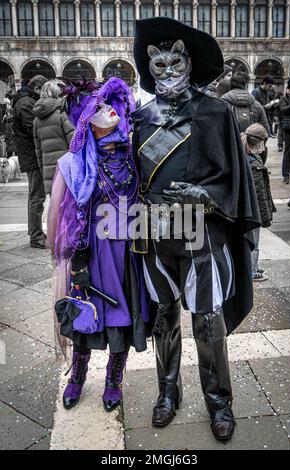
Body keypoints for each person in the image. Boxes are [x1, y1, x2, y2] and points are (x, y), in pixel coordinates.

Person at [132, 17, 260, 442]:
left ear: (187, 63)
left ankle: (218, 402)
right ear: (149, 65)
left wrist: (205, 196)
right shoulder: (139, 117)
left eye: (174, 64)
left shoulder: (214, 111)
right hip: (152, 230)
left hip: (201, 232)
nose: (167, 72)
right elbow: (127, 176)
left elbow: (232, 178)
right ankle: (167, 394)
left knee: (208, 320)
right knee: (163, 319)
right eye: (159, 65)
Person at [47, 77, 151, 412]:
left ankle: (113, 380)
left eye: (111, 106)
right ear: (87, 119)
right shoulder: (74, 165)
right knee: (84, 318)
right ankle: (77, 377)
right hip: (90, 252)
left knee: (121, 315)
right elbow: (59, 221)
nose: (111, 113)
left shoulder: (133, 154)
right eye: (101, 109)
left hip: (126, 253)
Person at [13, 75, 48, 249]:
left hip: (30, 154)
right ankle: (35, 236)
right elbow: (33, 127)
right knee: (37, 196)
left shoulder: (25, 101)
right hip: (31, 156)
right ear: (37, 89)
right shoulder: (25, 103)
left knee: (35, 195)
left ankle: (36, 232)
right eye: (43, 90)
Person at [241, 124, 276, 281]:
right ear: (260, 142)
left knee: (249, 242)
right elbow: (259, 194)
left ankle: (251, 268)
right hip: (253, 212)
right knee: (254, 244)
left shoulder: (244, 157)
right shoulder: (254, 164)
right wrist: (264, 215)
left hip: (246, 211)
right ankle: (252, 272)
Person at [33, 80, 74, 195]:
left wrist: (44, 171)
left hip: (48, 172)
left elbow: (38, 151)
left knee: (56, 209)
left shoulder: (37, 119)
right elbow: (74, 143)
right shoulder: (62, 113)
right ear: (58, 94)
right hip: (66, 170)